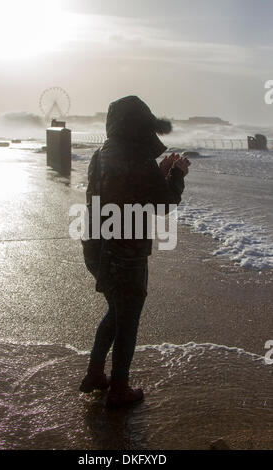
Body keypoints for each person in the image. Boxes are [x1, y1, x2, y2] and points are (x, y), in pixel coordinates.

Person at [79, 95, 190, 407]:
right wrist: (177, 175)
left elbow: (127, 191)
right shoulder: (138, 159)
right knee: (127, 320)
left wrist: (159, 172)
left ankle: (94, 375)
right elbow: (164, 204)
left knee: (116, 311)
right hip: (126, 253)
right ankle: (119, 391)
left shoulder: (101, 154)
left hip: (96, 248)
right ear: (141, 124)